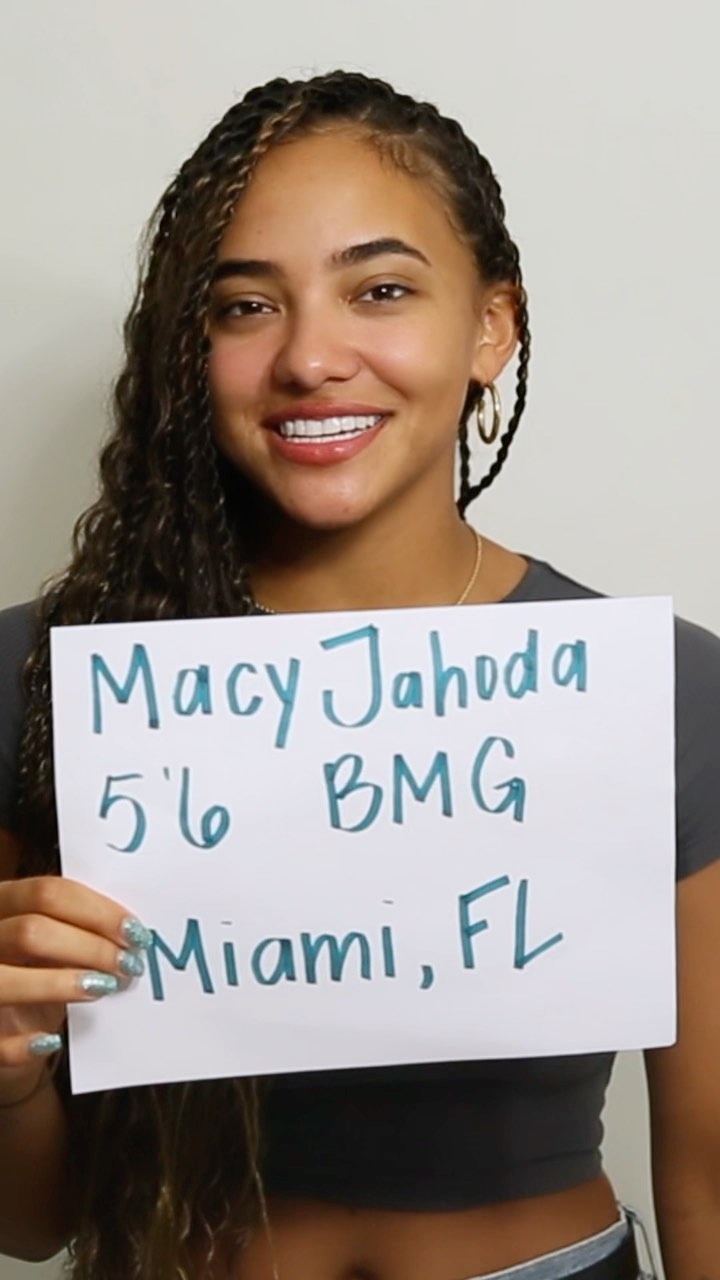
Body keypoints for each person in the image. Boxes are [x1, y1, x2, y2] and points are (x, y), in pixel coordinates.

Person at [0, 68, 718, 1280]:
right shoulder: (44, 680)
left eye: (380, 289)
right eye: (245, 306)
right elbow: (33, 1221)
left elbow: (709, 1180)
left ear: (491, 326)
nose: (311, 357)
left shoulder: (660, 689)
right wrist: (12, 1067)